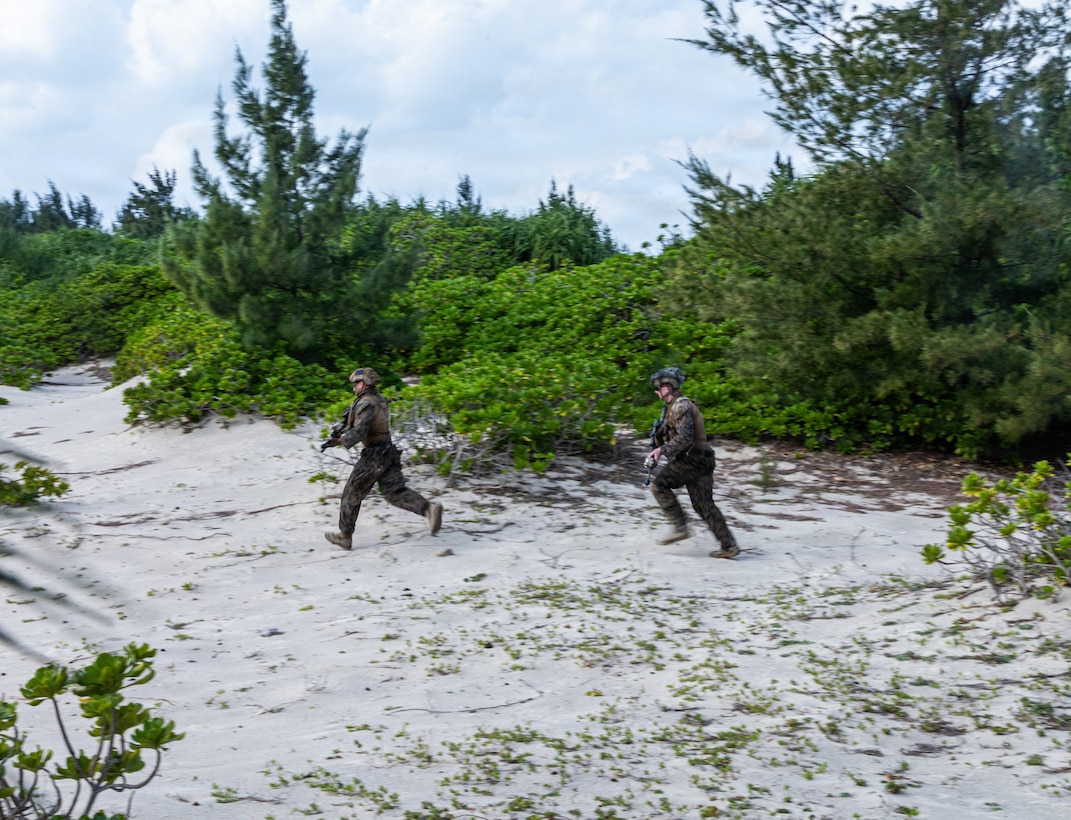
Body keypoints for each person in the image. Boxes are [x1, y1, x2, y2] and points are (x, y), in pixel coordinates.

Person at [321, 367, 443, 550]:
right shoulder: (379, 400)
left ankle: (345, 536)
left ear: (363, 383)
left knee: (352, 493)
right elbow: (359, 424)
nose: (354, 387)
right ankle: (428, 509)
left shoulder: (366, 404)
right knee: (395, 492)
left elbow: (360, 431)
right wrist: (341, 431)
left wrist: (339, 441)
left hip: (374, 456)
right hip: (389, 452)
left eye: (355, 384)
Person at [645, 366, 739, 558]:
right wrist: (659, 438)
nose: (657, 391)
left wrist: (661, 450)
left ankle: (680, 527)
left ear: (669, 387)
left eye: (659, 387)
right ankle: (729, 545)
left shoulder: (681, 406)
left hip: (692, 461)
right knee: (704, 505)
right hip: (701, 460)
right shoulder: (673, 408)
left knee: (658, 485)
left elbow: (684, 439)